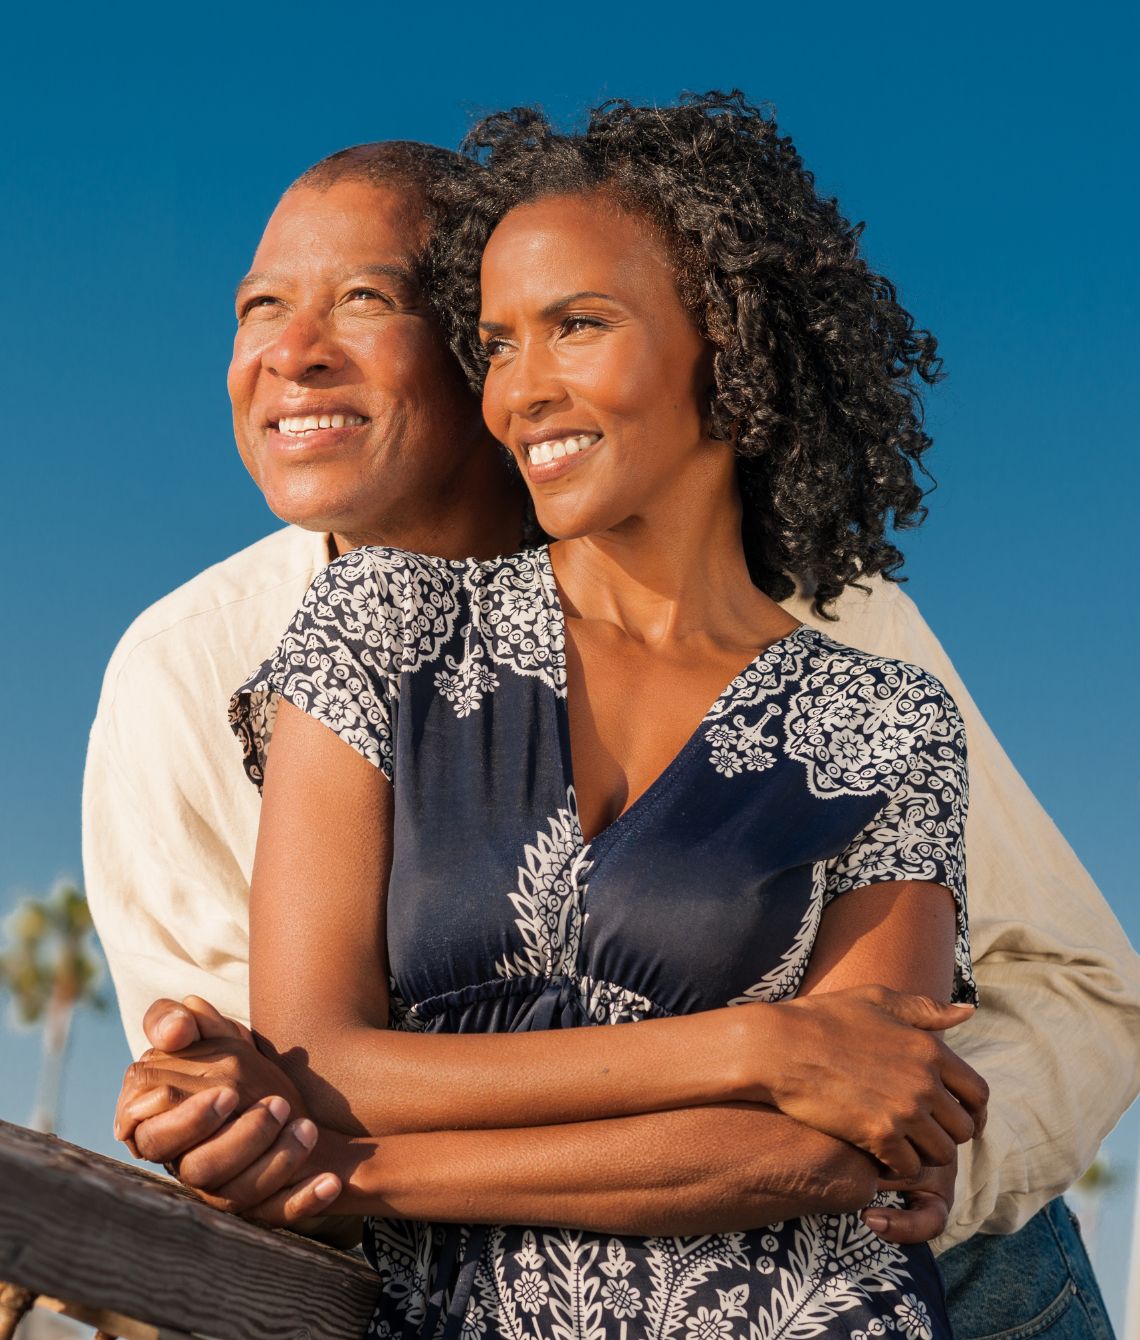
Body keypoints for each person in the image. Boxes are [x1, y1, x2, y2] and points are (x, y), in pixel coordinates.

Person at [93, 128, 1136, 1337]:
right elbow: (297, 1091)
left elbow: (1051, 1000)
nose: (290, 355)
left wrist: (907, 1154)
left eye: (365, 299)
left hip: (946, 1278)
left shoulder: (849, 640)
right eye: (259, 307)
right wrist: (765, 1049)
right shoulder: (210, 662)